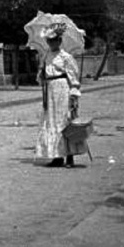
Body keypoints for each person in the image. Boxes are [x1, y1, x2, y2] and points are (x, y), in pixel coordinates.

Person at [35, 24, 82, 168]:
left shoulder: (66, 57)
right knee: (51, 122)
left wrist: (73, 94)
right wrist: (41, 73)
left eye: (54, 40)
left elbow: (73, 77)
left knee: (65, 121)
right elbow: (41, 77)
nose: (51, 43)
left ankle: (69, 157)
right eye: (49, 41)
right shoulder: (46, 56)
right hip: (50, 91)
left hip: (62, 89)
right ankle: (57, 156)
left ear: (60, 41)